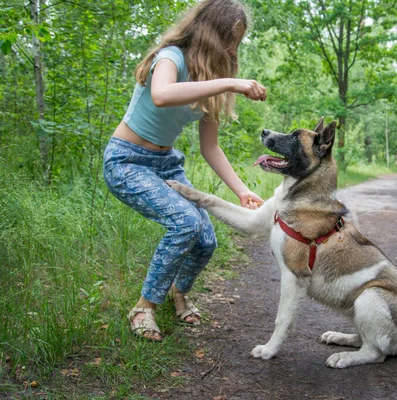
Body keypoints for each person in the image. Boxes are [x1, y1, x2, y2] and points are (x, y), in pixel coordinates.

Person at [103, 0, 266, 341]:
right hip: (127, 161)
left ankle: (179, 293)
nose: (233, 49)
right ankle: (144, 307)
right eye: (229, 39)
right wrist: (230, 84)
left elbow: (210, 147)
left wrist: (241, 190)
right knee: (186, 222)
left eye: (237, 42)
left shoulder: (212, 79)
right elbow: (162, 95)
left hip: (167, 165)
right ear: (210, 32)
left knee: (206, 241)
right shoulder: (171, 57)